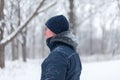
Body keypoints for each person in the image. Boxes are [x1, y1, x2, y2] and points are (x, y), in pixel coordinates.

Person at [41, 15, 82, 80]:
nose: (44, 33)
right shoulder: (71, 52)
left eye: (46, 29)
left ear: (54, 30)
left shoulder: (58, 55)